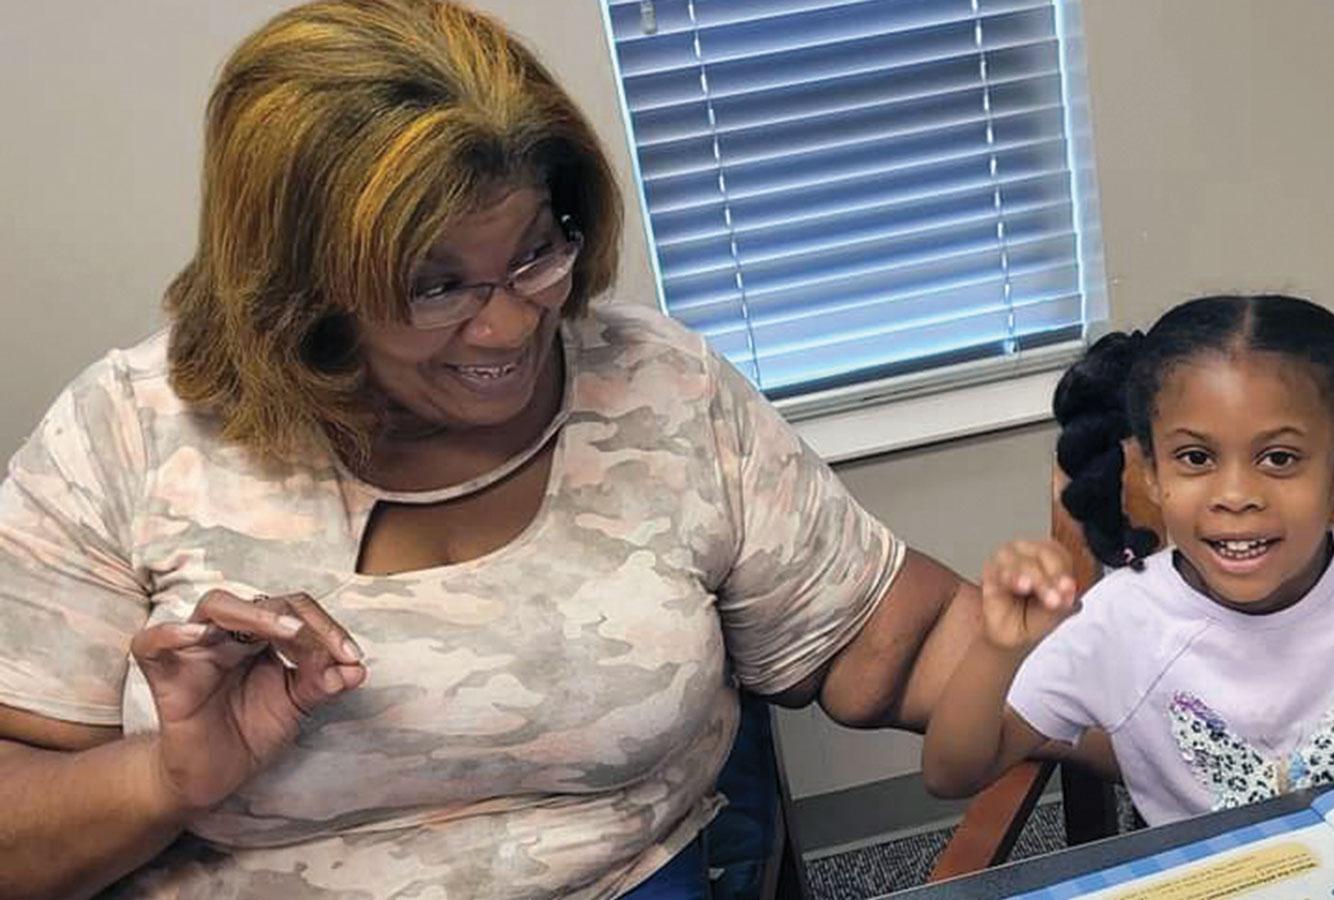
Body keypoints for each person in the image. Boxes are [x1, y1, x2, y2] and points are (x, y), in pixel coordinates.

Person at [0, 2, 981, 897]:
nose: (511, 327)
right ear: (301, 287)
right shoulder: (127, 433)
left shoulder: (655, 385)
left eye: (535, 253)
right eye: (436, 286)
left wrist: (1059, 635)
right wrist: (166, 779)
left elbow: (904, 649)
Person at [923, 295, 1334, 825]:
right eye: (1196, 458)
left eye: (1279, 459)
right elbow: (952, 773)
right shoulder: (1116, 619)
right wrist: (998, 649)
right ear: (1152, 474)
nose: (1236, 495)